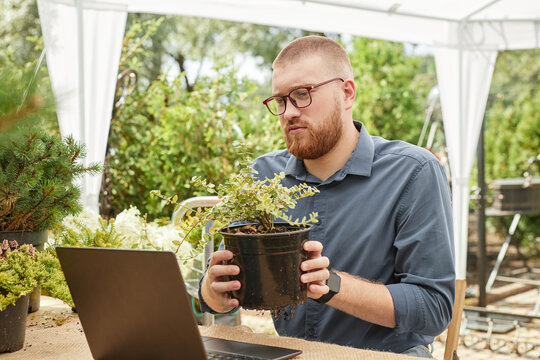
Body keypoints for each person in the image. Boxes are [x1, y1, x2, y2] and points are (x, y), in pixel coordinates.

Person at [199, 35, 455, 358]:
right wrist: (213, 290)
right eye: (280, 101)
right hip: (292, 354)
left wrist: (332, 285)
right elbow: (215, 290)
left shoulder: (412, 173)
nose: (289, 112)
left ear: (347, 93)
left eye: (302, 95)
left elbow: (433, 307)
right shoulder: (264, 176)